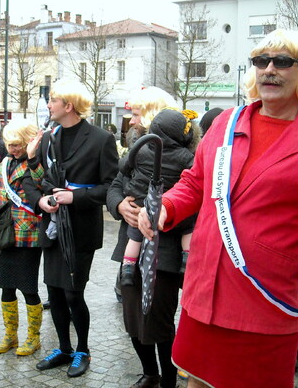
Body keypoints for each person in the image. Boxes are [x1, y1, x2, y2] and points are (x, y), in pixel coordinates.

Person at [138, 29, 298, 388]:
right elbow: (196, 182)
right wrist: (166, 208)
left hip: (263, 302)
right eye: (261, 61)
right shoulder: (227, 124)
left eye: (283, 62)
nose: (269, 69)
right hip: (203, 294)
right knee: (195, 381)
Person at [24, 79, 118, 378]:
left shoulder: (101, 139)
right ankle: (64, 348)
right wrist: (42, 201)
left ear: (69, 106)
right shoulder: (49, 139)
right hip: (53, 227)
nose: (48, 105)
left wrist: (75, 196)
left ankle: (83, 350)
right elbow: (34, 179)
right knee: (55, 291)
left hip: (80, 230)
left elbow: (112, 187)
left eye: (53, 100)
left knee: (74, 293)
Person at [106, 87, 186, 388]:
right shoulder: (137, 149)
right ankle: (150, 372)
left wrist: (163, 212)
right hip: (131, 246)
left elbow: (191, 200)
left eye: (137, 114)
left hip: (165, 252)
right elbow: (115, 184)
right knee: (132, 319)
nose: (132, 119)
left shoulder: (180, 155)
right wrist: (120, 205)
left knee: (159, 322)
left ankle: (168, 377)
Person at [0, 120, 44, 356]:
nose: (13, 149)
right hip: (5, 233)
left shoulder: (36, 162)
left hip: (29, 234)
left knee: (28, 288)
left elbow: (40, 182)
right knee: (6, 287)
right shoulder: (4, 163)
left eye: (17, 145)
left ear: (28, 141)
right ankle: (10, 335)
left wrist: (34, 155)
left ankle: (33, 338)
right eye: (10, 144)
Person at [119, 108, 200, 286]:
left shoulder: (141, 149)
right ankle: (187, 258)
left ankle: (127, 268)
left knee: (134, 236)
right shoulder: (185, 155)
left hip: (140, 200)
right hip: (168, 206)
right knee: (187, 228)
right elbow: (195, 176)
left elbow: (124, 166)